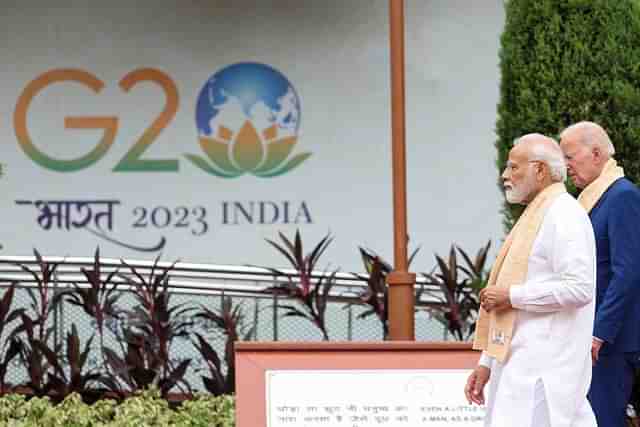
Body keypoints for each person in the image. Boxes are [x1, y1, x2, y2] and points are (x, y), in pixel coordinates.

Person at [464, 133, 597, 427]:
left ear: (539, 170)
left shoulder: (565, 214)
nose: (505, 175)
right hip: (514, 366)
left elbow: (579, 287)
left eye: (513, 167)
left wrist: (512, 296)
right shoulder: (533, 215)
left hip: (546, 374)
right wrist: (487, 363)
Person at [560, 121, 640, 427]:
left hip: (609, 342)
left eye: (570, 156)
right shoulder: (593, 198)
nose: (566, 166)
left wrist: (599, 332)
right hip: (590, 337)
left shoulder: (621, 196)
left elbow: (628, 272)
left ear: (596, 153)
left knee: (602, 419)